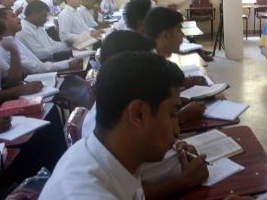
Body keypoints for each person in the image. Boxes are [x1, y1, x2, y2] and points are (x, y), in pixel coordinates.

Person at [81, 30, 209, 199]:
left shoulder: (112, 151)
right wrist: (184, 181)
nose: (177, 132)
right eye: (172, 115)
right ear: (138, 114)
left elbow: (134, 195)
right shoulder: (88, 194)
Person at [0, 8, 83, 75]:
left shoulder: (14, 39)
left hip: (44, 68)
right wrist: (68, 64)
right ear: (2, 22)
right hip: (35, 76)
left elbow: (38, 63)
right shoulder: (5, 45)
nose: (19, 18)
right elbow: (35, 68)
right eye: (13, 16)